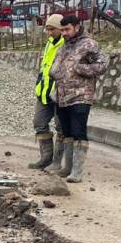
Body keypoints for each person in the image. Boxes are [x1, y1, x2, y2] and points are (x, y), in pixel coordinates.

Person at [49, 14, 109, 184]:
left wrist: (80, 68)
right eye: (62, 30)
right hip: (62, 95)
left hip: (80, 95)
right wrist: (53, 72)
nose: (64, 33)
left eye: (67, 29)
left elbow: (102, 65)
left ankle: (77, 171)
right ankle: (67, 168)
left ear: (76, 26)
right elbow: (58, 65)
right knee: (66, 132)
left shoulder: (89, 44)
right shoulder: (64, 46)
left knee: (78, 132)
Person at [28, 14, 66, 171]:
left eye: (52, 29)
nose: (49, 32)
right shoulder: (50, 43)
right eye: (47, 29)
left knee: (61, 127)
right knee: (39, 123)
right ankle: (45, 158)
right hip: (44, 92)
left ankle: (56, 162)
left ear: (61, 29)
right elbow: (44, 67)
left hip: (60, 94)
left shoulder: (66, 45)